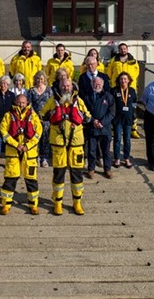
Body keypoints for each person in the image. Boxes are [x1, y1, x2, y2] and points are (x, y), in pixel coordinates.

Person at [42, 77, 91, 215]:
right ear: (59, 86)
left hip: (76, 143)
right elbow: (42, 115)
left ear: (72, 87)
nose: (66, 88)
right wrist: (54, 114)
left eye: (68, 86)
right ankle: (57, 203)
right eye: (63, 86)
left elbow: (88, 117)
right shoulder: (53, 101)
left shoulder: (78, 101)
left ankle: (77, 202)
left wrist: (77, 115)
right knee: (59, 173)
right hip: (58, 142)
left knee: (77, 175)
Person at [0, 93, 43, 215]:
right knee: (10, 179)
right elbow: (3, 131)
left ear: (27, 103)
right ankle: (6, 204)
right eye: (19, 102)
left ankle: (33, 205)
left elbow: (38, 133)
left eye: (23, 102)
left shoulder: (33, 116)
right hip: (13, 151)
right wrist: (15, 144)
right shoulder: (8, 116)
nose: (21, 104)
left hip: (29, 152)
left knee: (31, 180)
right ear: (15, 102)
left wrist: (27, 145)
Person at [107, 42, 142, 138]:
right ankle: (114, 129)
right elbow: (109, 73)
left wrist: (130, 82)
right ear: (119, 50)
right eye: (121, 49)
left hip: (130, 88)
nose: (123, 50)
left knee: (132, 109)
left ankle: (133, 129)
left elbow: (136, 72)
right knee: (115, 108)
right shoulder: (114, 60)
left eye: (125, 48)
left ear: (127, 49)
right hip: (117, 88)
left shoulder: (133, 61)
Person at [84, 75, 115, 179]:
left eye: (99, 84)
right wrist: (93, 121)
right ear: (91, 84)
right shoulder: (87, 96)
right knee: (91, 150)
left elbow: (112, 113)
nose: (97, 86)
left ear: (102, 85)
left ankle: (107, 169)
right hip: (91, 127)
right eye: (95, 84)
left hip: (105, 128)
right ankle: (91, 169)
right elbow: (84, 111)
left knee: (106, 151)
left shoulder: (108, 96)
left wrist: (102, 122)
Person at [112, 72, 138, 169]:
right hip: (117, 119)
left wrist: (134, 113)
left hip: (128, 119)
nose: (123, 81)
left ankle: (126, 158)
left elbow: (134, 103)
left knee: (127, 139)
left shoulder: (132, 91)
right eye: (121, 79)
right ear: (118, 80)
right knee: (117, 138)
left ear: (129, 80)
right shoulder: (114, 91)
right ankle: (117, 158)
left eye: (125, 79)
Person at [27, 71, 53, 168]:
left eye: (41, 79)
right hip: (35, 118)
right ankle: (36, 157)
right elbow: (29, 104)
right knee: (35, 138)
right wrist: (35, 116)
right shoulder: (31, 91)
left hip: (46, 119)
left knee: (45, 138)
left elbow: (52, 104)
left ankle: (44, 158)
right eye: (38, 79)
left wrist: (46, 115)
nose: (39, 81)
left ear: (44, 80)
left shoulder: (49, 90)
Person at [0, 75, 15, 170]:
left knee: (9, 141)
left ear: (8, 85)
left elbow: (13, 108)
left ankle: (9, 160)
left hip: (9, 122)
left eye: (5, 84)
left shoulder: (12, 95)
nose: (3, 85)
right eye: (1, 83)